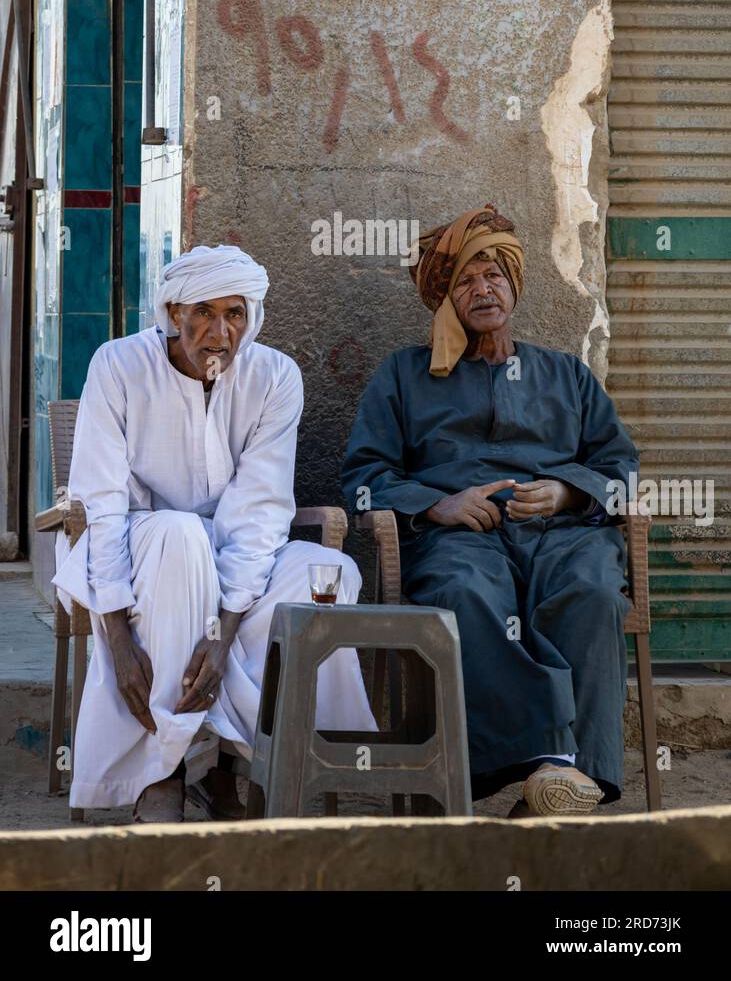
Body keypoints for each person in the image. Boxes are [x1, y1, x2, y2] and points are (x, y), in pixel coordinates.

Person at [54, 244, 376, 822]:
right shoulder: (118, 365)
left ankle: (238, 760)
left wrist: (223, 634)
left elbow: (259, 511)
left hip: (229, 557)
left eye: (235, 314)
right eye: (203, 312)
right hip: (134, 548)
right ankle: (166, 767)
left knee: (327, 573)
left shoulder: (275, 377)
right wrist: (117, 638)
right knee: (181, 537)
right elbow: (100, 506)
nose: (219, 332)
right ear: (173, 313)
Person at [341, 204, 640, 817]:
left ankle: (557, 785)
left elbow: (621, 468)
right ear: (446, 298)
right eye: (467, 281)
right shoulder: (403, 375)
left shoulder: (567, 374)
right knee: (463, 596)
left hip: (564, 533)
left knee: (593, 594)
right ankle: (553, 764)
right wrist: (439, 505)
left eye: (494, 277)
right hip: (460, 539)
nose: (484, 290)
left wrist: (566, 491)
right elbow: (364, 479)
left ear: (514, 285)